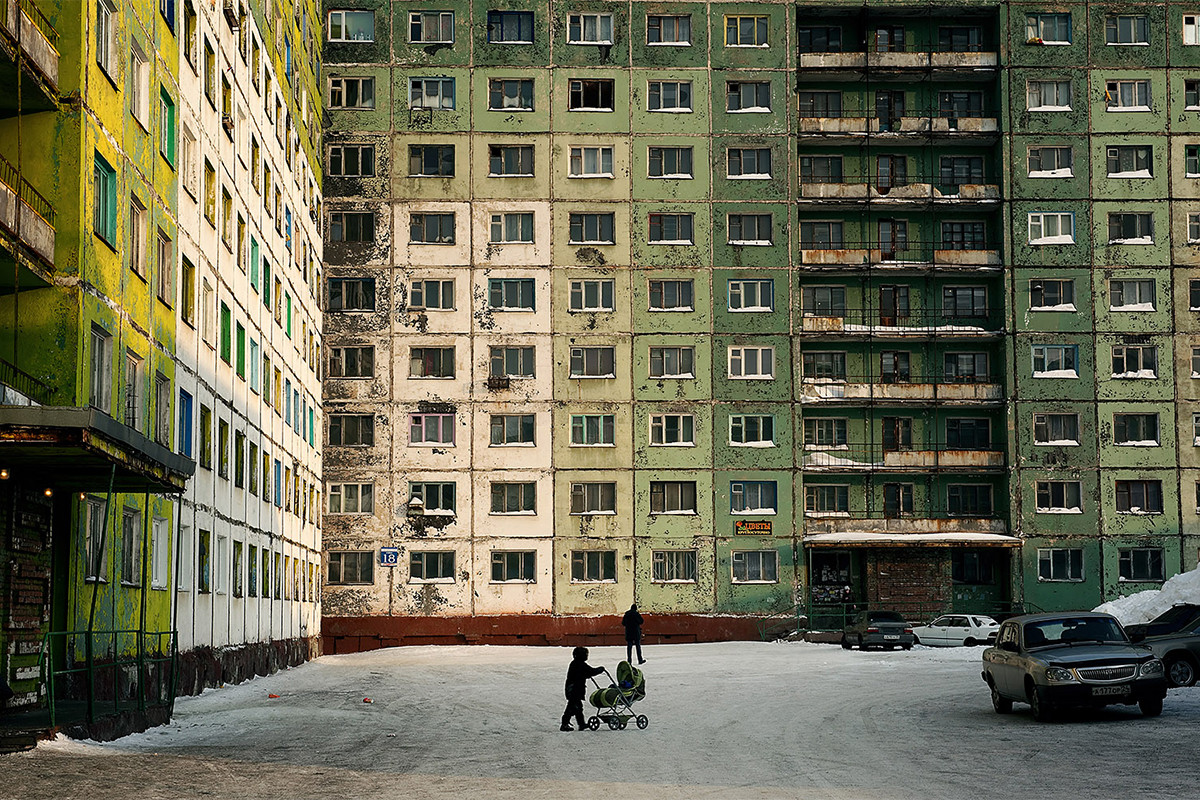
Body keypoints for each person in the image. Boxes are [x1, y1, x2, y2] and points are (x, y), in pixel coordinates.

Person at [561, 646, 604, 731]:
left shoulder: (575, 663)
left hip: (573, 689)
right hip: (574, 690)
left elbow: (583, 673)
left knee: (578, 708)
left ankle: (581, 724)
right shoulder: (580, 664)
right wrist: (600, 669)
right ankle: (565, 724)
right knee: (572, 707)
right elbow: (591, 671)